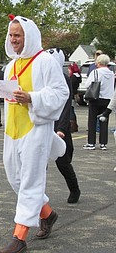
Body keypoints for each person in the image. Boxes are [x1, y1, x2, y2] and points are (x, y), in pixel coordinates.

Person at [0, 15, 69, 253]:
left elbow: (61, 93)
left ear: (29, 36)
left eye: (17, 35)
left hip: (36, 131)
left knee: (30, 181)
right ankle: (47, 214)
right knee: (14, 178)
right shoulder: (10, 65)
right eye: (11, 35)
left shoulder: (45, 62)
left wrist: (32, 98)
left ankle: (19, 237)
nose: (13, 39)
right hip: (13, 130)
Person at [46, 48, 81, 204]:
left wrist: (61, 128)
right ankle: (36, 195)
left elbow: (66, 105)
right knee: (40, 162)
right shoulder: (42, 76)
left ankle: (74, 189)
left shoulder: (64, 79)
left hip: (60, 123)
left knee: (62, 161)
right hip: (44, 123)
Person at [83, 54, 114, 151]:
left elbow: (87, 84)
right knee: (104, 121)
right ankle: (103, 143)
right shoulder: (111, 73)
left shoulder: (95, 72)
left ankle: (91, 143)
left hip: (96, 98)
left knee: (92, 121)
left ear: (99, 62)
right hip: (108, 99)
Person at [68, 62, 81, 133]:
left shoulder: (73, 78)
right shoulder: (78, 76)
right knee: (72, 110)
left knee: (71, 111)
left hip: (71, 95)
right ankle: (75, 126)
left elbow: (71, 87)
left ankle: (72, 126)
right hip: (75, 94)